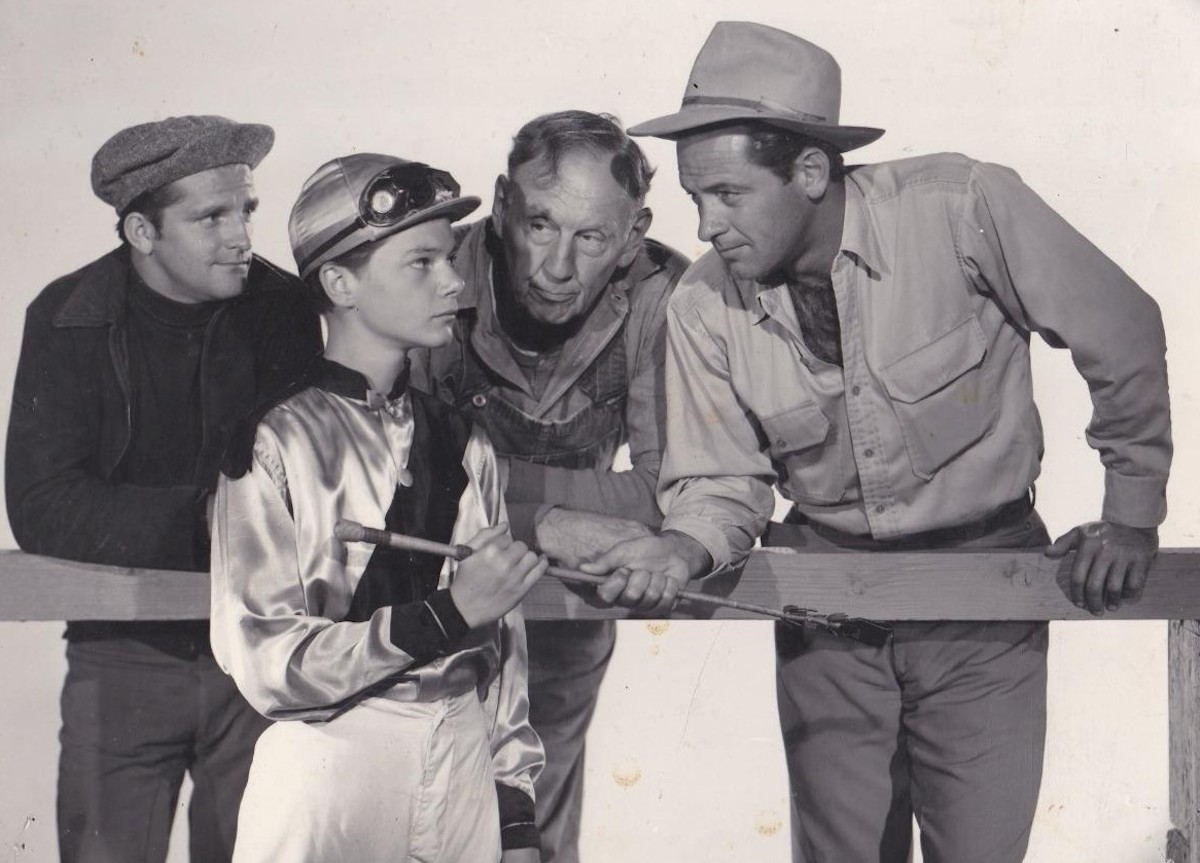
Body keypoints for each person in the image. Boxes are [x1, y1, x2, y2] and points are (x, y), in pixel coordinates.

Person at [585, 21, 1172, 863]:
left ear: (812, 171)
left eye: (729, 194)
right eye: (695, 199)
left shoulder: (963, 209)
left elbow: (1121, 328)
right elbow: (721, 483)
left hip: (986, 601)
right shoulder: (702, 306)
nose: (707, 225)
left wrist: (1130, 515)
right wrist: (680, 549)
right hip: (826, 608)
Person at [210, 153, 546, 862]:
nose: (454, 281)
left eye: (450, 258)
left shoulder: (461, 438)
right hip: (333, 760)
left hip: (460, 764)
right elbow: (268, 657)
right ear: (339, 282)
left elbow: (503, 645)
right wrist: (447, 614)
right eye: (421, 262)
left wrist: (515, 815)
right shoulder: (274, 438)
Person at [5, 115, 322, 862]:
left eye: (244, 208)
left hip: (258, 658)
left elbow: (301, 491)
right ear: (142, 233)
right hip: (120, 657)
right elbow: (43, 504)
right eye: (211, 216)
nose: (242, 234)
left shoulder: (282, 309)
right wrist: (215, 516)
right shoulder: (65, 315)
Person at [409, 110, 689, 861]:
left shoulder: (666, 295)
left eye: (591, 237)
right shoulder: (426, 268)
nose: (557, 267)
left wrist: (494, 504)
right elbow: (390, 481)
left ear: (631, 237)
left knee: (534, 832)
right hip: (419, 600)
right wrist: (552, 522)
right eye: (540, 224)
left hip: (568, 608)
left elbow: (671, 496)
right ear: (502, 205)